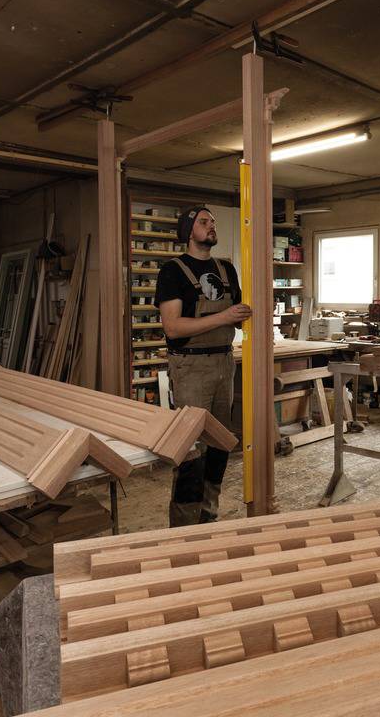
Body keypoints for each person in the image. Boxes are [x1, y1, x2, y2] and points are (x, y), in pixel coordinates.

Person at [154, 206, 251, 526]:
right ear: (188, 230)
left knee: (219, 445)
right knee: (191, 452)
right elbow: (172, 328)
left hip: (224, 363)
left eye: (213, 222)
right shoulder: (173, 271)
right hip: (191, 368)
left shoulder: (226, 269)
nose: (211, 226)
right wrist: (224, 317)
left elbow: (238, 314)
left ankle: (208, 516)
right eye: (204, 222)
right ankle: (182, 528)